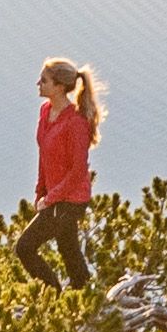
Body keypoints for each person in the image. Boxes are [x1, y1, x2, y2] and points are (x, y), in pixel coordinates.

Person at [27, 56, 104, 283]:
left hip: (72, 200)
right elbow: (44, 154)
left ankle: (54, 294)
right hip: (55, 197)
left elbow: (78, 171)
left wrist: (50, 199)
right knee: (69, 250)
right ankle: (85, 297)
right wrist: (40, 193)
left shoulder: (76, 123)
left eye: (44, 81)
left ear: (60, 87)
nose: (38, 84)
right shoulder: (45, 111)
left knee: (24, 247)